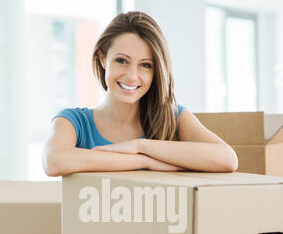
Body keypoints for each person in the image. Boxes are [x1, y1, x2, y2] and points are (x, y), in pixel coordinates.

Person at [43, 11, 238, 177]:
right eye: (122, 60)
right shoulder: (73, 121)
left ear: (156, 71)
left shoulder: (173, 118)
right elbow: (54, 161)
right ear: (103, 59)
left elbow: (227, 159)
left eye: (145, 65)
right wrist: (146, 161)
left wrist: (140, 146)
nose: (132, 76)